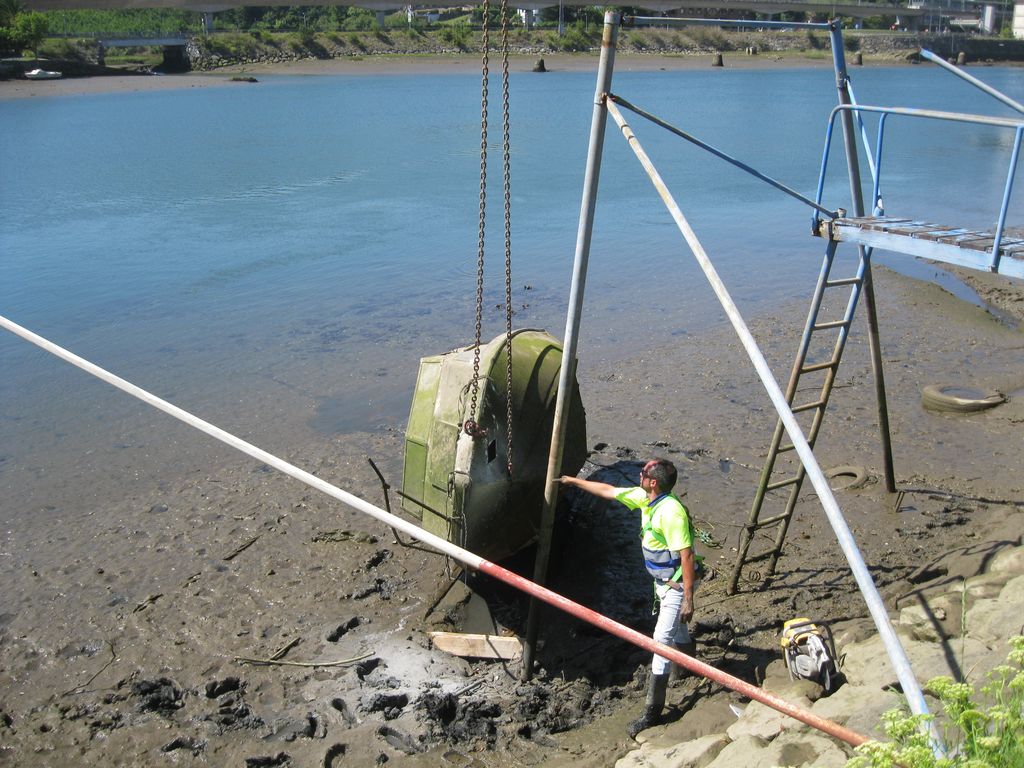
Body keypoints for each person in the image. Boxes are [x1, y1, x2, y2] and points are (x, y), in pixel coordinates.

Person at [560, 457, 699, 738]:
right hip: (662, 583)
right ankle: (687, 664)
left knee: (661, 642)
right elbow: (609, 491)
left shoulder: (671, 513)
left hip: (675, 586)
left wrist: (688, 598)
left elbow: (687, 554)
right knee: (678, 627)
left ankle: (653, 712)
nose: (640, 474)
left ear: (653, 482)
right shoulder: (644, 498)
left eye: (644, 472)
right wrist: (573, 481)